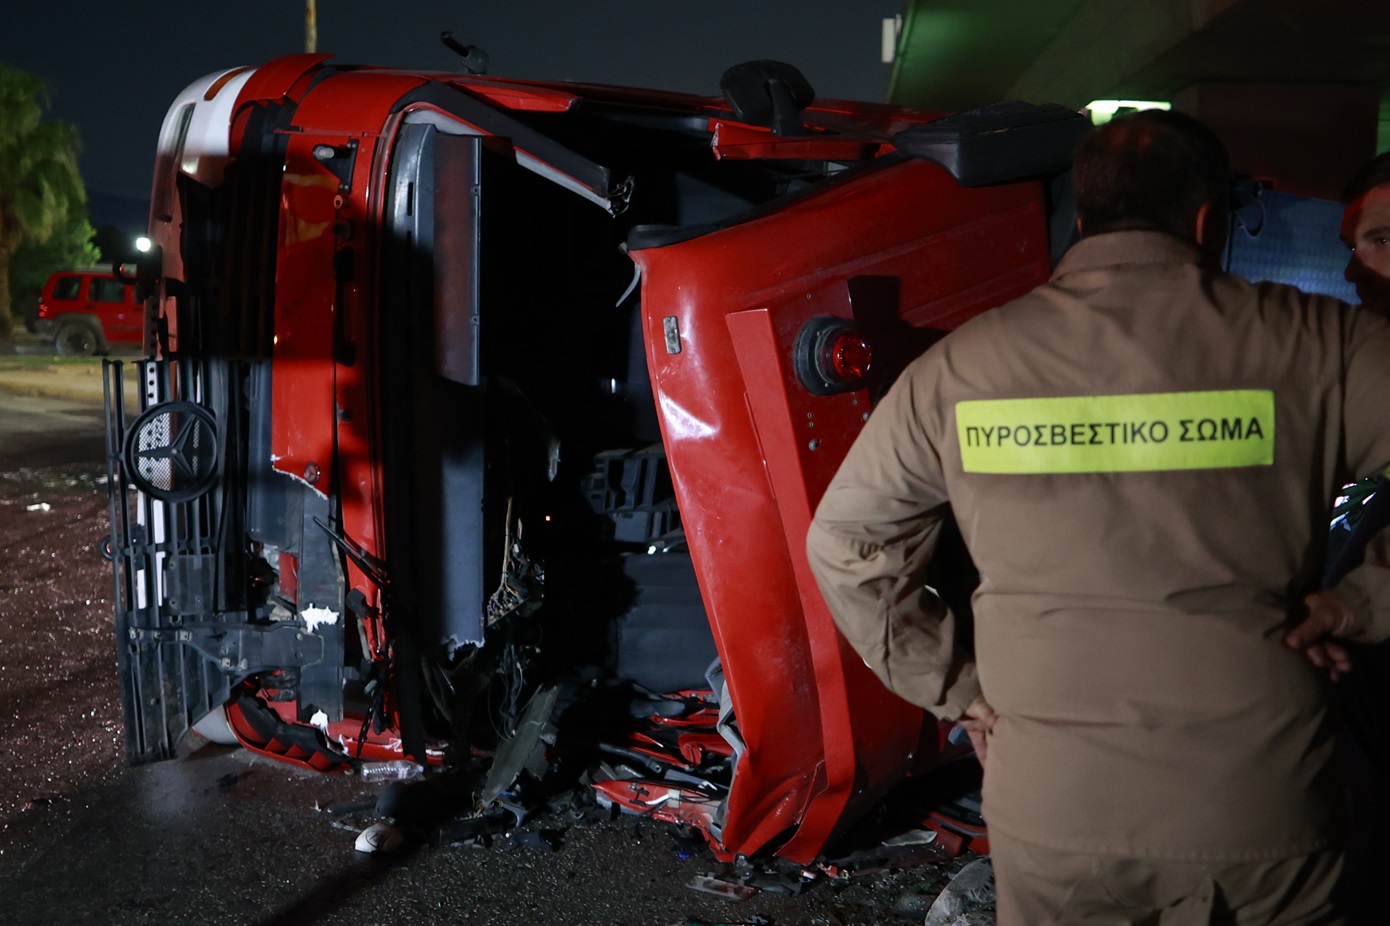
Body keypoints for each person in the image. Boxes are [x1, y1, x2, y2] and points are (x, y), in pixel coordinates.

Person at [806, 109, 1390, 925]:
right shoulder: (1320, 342)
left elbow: (844, 541)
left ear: (1082, 218)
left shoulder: (962, 369)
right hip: (1257, 802)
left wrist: (957, 690)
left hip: (1053, 809)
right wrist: (1363, 600)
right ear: (1203, 219)